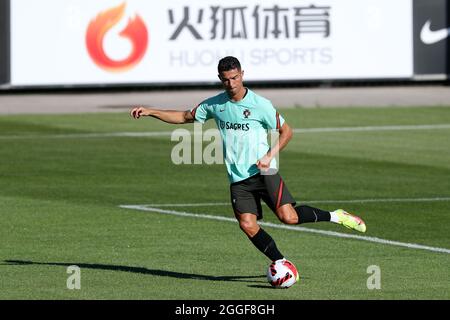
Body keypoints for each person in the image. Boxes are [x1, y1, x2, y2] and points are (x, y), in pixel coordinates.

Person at [130, 56, 366, 262]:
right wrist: (151, 111)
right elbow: (184, 116)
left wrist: (269, 156)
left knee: (289, 217)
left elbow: (287, 132)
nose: (231, 84)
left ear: (242, 75)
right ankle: (281, 262)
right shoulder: (214, 104)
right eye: (226, 79)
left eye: (235, 78)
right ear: (220, 78)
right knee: (247, 225)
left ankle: (337, 216)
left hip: (265, 172)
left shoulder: (260, 105)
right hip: (238, 177)